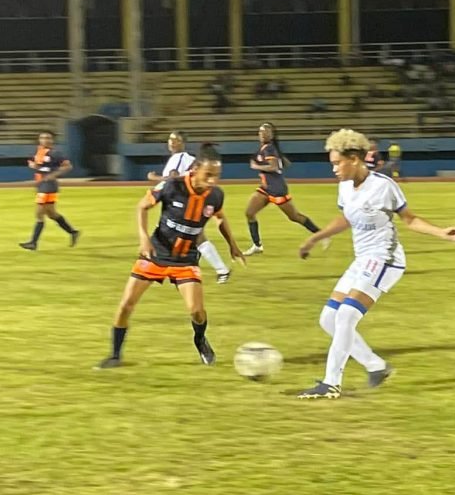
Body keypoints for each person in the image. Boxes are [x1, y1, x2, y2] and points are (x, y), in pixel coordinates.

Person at [295, 128, 455, 398]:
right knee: (329, 319)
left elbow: (409, 219)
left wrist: (442, 232)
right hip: (362, 260)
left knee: (346, 315)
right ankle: (376, 366)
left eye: (337, 163)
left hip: (385, 260)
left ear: (354, 159)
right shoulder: (344, 187)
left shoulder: (383, 187)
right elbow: (346, 219)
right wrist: (315, 238)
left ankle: (331, 383)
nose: (334, 169)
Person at [97, 145, 245, 369]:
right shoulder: (171, 186)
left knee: (197, 311)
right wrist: (143, 238)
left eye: (217, 176)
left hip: (185, 260)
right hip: (156, 254)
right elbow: (142, 207)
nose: (213, 181)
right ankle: (115, 355)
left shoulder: (215, 195)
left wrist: (233, 245)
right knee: (126, 304)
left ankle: (200, 340)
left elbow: (221, 219)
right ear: (195, 169)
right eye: (209, 175)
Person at [147, 130, 232, 283]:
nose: (172, 142)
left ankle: (159, 266)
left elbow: (173, 179)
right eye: (170, 139)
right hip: (189, 200)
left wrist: (154, 177)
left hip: (186, 201)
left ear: (183, 142)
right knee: (197, 237)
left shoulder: (179, 158)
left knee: (183, 234)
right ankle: (221, 270)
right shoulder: (187, 158)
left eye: (176, 140)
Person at [243, 122, 323, 255]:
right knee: (249, 213)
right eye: (260, 132)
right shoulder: (266, 148)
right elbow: (282, 164)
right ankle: (257, 245)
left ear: (272, 135)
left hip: (277, 189)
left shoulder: (269, 149)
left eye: (266, 132)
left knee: (294, 217)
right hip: (266, 188)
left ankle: (321, 234)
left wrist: (257, 167)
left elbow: (273, 167)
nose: (262, 134)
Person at [19, 130, 80, 250]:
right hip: (41, 184)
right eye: (43, 137)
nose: (45, 140)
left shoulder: (56, 153)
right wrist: (33, 166)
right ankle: (73, 232)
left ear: (52, 140)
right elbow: (32, 162)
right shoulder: (37, 151)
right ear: (39, 139)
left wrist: (54, 174)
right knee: (52, 213)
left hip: (49, 185)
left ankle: (33, 242)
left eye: (48, 138)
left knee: (39, 213)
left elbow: (68, 166)